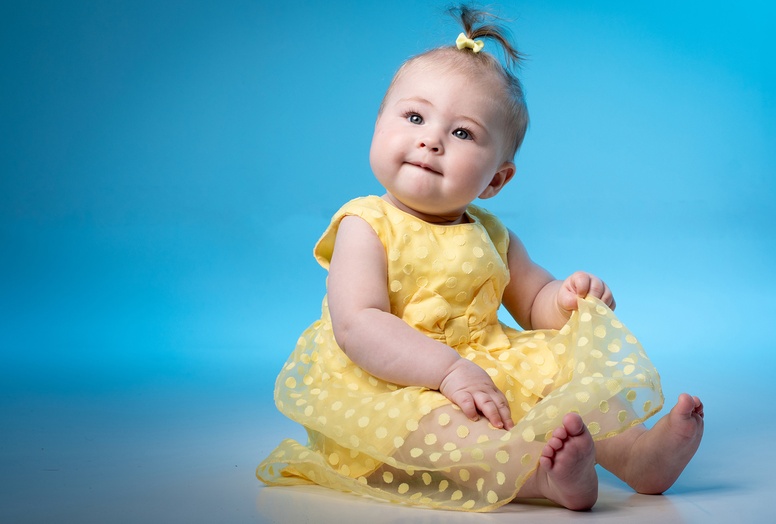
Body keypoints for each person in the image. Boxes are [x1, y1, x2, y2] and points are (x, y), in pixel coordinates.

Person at [257, 5, 704, 512]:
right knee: (443, 428)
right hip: (390, 384)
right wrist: (447, 372)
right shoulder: (365, 224)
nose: (431, 139)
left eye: (462, 133)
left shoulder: (491, 233)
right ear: (378, 125)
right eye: (414, 116)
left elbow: (532, 300)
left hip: (484, 365)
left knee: (563, 376)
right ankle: (541, 479)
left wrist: (567, 300)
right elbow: (358, 323)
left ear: (495, 180)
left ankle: (637, 456)